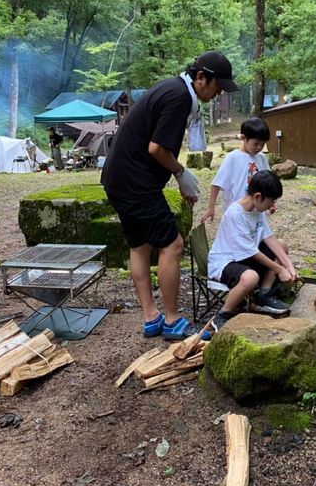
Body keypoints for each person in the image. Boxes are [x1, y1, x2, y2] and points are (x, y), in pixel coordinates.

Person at [101, 50, 239, 341]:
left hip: (118, 179)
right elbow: (157, 149)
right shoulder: (178, 98)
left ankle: (151, 318)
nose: (218, 94)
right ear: (201, 78)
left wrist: (176, 176)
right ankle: (173, 321)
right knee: (172, 245)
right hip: (136, 184)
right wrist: (181, 172)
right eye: (218, 87)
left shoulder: (172, 89)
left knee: (139, 245)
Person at [207, 170, 298, 334]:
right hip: (226, 261)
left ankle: (263, 294)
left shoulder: (257, 210)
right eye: (271, 201)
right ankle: (222, 314)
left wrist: (289, 266)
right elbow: (251, 253)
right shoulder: (236, 214)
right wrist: (280, 269)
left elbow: (269, 237)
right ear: (258, 196)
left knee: (281, 245)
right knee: (250, 277)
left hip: (245, 256)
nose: (272, 206)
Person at [201, 116, 271, 224]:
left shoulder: (261, 158)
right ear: (244, 138)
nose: (259, 147)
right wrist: (211, 208)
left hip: (258, 214)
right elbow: (216, 184)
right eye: (256, 144)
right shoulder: (232, 158)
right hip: (237, 215)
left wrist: (270, 203)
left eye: (262, 144)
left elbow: (267, 183)